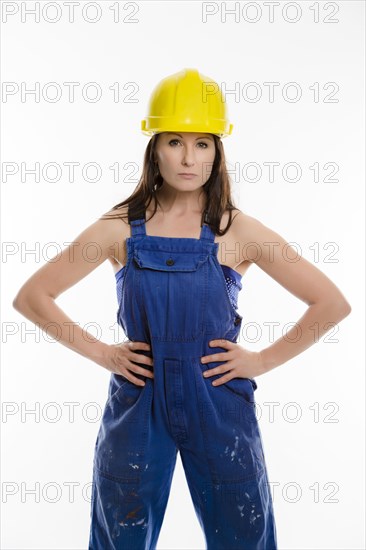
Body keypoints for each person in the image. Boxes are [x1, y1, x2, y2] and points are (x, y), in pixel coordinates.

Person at [13, 68, 352, 550]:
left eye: (203, 143)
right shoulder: (118, 228)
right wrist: (105, 355)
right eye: (174, 141)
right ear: (155, 149)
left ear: (219, 151)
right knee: (121, 537)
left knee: (242, 537)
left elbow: (330, 303)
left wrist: (258, 362)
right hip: (138, 399)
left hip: (217, 399)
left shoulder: (238, 230)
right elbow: (32, 297)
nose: (189, 157)